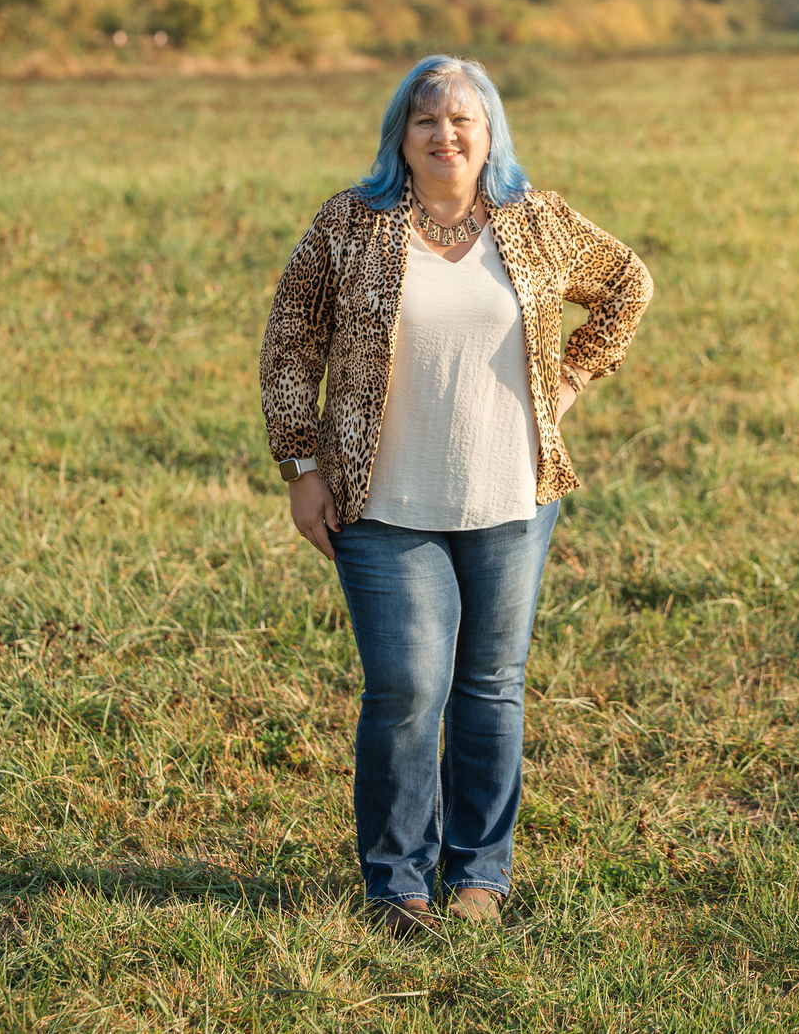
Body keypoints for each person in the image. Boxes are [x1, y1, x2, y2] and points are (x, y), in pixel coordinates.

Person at [260, 54, 653, 936]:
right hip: (381, 501)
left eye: (462, 121)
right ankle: (396, 879)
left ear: (490, 135)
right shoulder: (351, 224)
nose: (445, 135)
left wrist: (573, 377)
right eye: (426, 120)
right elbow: (291, 341)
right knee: (405, 686)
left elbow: (630, 284)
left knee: (491, 685)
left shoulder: (535, 220)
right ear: (401, 134)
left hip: (512, 495)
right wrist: (300, 466)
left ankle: (479, 872)